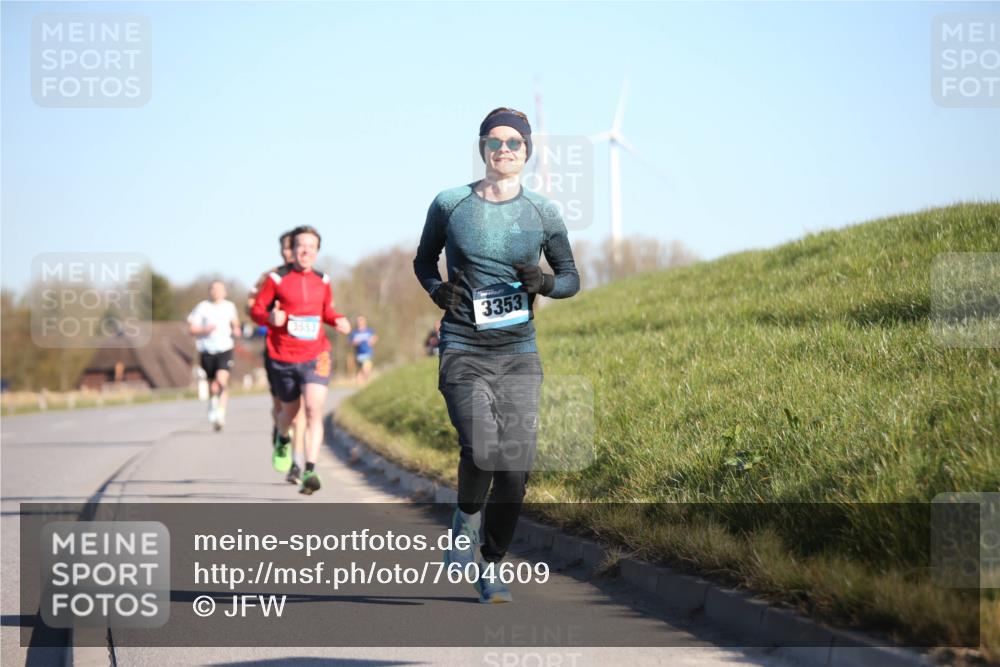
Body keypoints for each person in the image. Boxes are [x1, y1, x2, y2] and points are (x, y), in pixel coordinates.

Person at [413, 107, 579, 603]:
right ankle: (464, 519)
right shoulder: (450, 203)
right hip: (463, 345)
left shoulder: (544, 212)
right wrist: (436, 290)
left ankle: (491, 564)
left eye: (514, 142)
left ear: (527, 151)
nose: (504, 149)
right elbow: (423, 260)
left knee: (515, 467)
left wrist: (547, 283)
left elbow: (570, 277)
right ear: (482, 147)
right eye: (495, 141)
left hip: (519, 352)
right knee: (483, 448)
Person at [251, 225, 352, 495]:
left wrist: (337, 320)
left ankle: (309, 469)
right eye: (301, 246)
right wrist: (269, 318)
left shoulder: (324, 280)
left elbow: (326, 311)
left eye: (311, 246)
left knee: (313, 409)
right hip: (283, 356)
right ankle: (282, 438)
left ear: (317, 251)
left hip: (316, 354)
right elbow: (257, 310)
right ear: (292, 251)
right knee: (289, 413)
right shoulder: (276, 279)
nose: (306, 250)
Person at [248, 231, 308, 484]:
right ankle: (281, 434)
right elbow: (251, 307)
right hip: (277, 351)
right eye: (285, 248)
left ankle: (297, 463)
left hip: (305, 351)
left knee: (302, 410)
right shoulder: (271, 277)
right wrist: (268, 316)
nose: (289, 252)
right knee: (282, 408)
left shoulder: (311, 277)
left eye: (291, 247)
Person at [187, 281, 242, 431]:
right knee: (213, 384)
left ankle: (220, 414)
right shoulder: (202, 307)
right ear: (209, 291)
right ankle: (212, 402)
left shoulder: (229, 306)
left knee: (221, 379)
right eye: (214, 289)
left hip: (225, 348)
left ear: (225, 292)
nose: (216, 292)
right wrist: (204, 330)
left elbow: (235, 322)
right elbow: (191, 329)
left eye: (220, 289)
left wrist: (236, 329)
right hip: (207, 350)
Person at [348, 316, 378, 385]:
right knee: (362, 371)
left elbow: (375, 337)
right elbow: (350, 342)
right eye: (359, 321)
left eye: (361, 320)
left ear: (365, 322)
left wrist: (372, 340)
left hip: (368, 352)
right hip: (359, 354)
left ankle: (363, 384)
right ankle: (360, 386)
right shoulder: (354, 333)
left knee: (367, 370)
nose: (360, 322)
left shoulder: (369, 331)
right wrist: (355, 342)